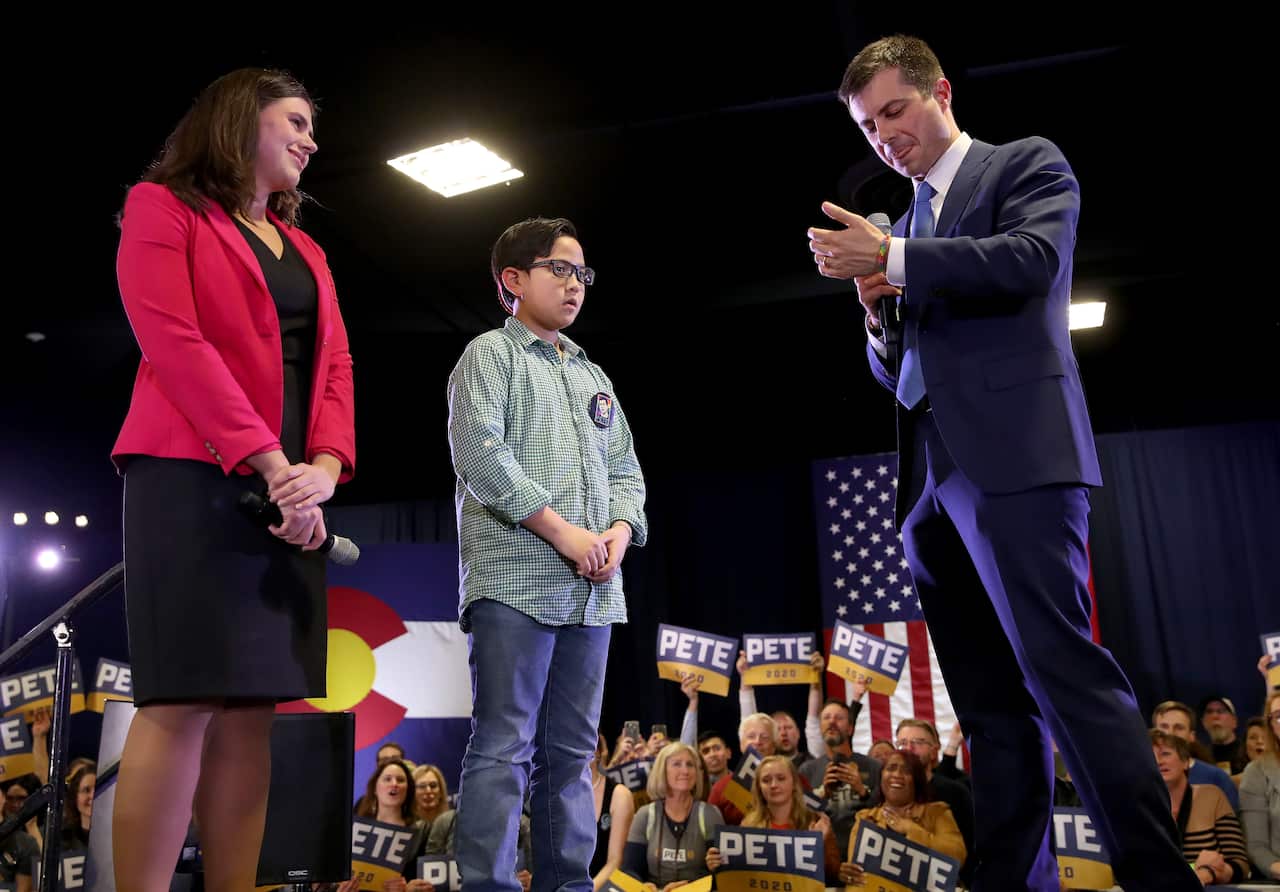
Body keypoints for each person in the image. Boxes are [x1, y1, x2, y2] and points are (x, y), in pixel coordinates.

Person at [806, 35, 1195, 891]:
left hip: (1018, 462)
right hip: (928, 487)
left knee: (1067, 680)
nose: (884, 136)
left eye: (895, 111)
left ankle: (1158, 879)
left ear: (940, 92)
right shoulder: (900, 224)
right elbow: (897, 367)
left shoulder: (1024, 164)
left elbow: (1032, 262)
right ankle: (1015, 880)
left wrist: (893, 261)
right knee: (987, 705)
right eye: (868, 127)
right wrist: (876, 313)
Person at [110, 67, 355, 891]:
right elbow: (173, 341)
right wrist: (271, 461)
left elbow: (335, 367)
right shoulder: (161, 208)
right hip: (190, 477)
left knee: (254, 710)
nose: (311, 139)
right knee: (181, 701)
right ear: (239, 120)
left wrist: (320, 470)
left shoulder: (311, 251)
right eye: (295, 120)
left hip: (289, 494)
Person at [447, 216, 647, 892]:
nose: (575, 284)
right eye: (560, 269)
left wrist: (618, 534)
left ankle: (568, 884)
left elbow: (627, 471)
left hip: (592, 589)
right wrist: (566, 534)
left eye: (582, 273)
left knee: (569, 756)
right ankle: (489, 886)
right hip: (514, 581)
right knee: (504, 748)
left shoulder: (593, 373)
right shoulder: (488, 355)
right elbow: (482, 457)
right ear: (514, 279)